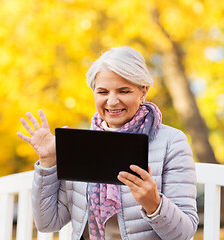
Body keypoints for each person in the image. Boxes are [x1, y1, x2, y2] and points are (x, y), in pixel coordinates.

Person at [17, 46, 198, 240]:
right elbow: (47, 223)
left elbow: (184, 234)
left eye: (124, 91)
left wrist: (154, 204)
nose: (112, 102)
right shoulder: (80, 146)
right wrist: (48, 161)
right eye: (102, 92)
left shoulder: (171, 142)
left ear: (143, 91)